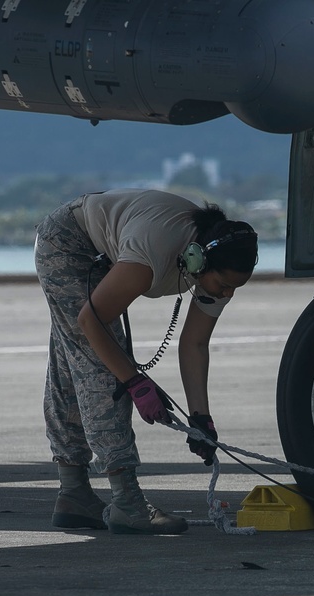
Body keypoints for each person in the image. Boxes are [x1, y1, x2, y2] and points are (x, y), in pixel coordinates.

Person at [34, 188, 259, 535]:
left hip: (101, 253)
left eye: (236, 288)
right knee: (101, 368)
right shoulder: (155, 250)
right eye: (224, 285)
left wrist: (201, 417)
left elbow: (195, 343)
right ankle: (127, 502)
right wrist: (135, 383)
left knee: (72, 362)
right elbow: (90, 321)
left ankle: (74, 494)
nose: (226, 294)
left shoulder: (213, 269)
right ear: (198, 260)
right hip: (67, 243)